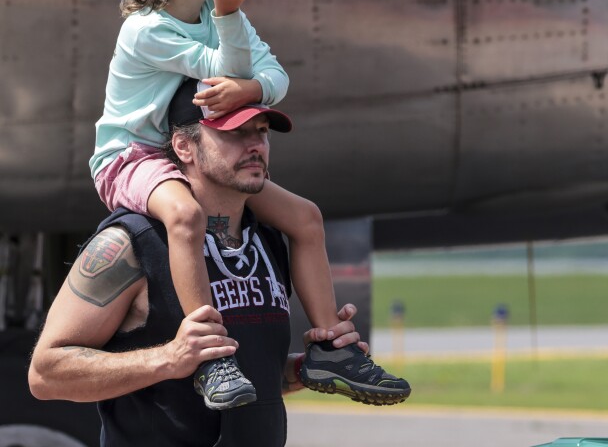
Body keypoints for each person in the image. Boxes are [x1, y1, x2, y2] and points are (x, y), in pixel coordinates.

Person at [89, 0, 409, 407]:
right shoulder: (143, 31)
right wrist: (233, 35)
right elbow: (226, 68)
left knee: (305, 218)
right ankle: (211, 356)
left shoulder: (217, 20)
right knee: (187, 220)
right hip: (133, 157)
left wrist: (250, 90)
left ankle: (332, 346)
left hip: (189, 153)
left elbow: (273, 75)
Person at [29, 85, 378, 446]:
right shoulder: (132, 243)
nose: (255, 145)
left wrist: (307, 369)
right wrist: (168, 359)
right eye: (234, 132)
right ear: (184, 146)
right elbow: (46, 373)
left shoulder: (268, 241)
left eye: (261, 131)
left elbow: (250, 379)